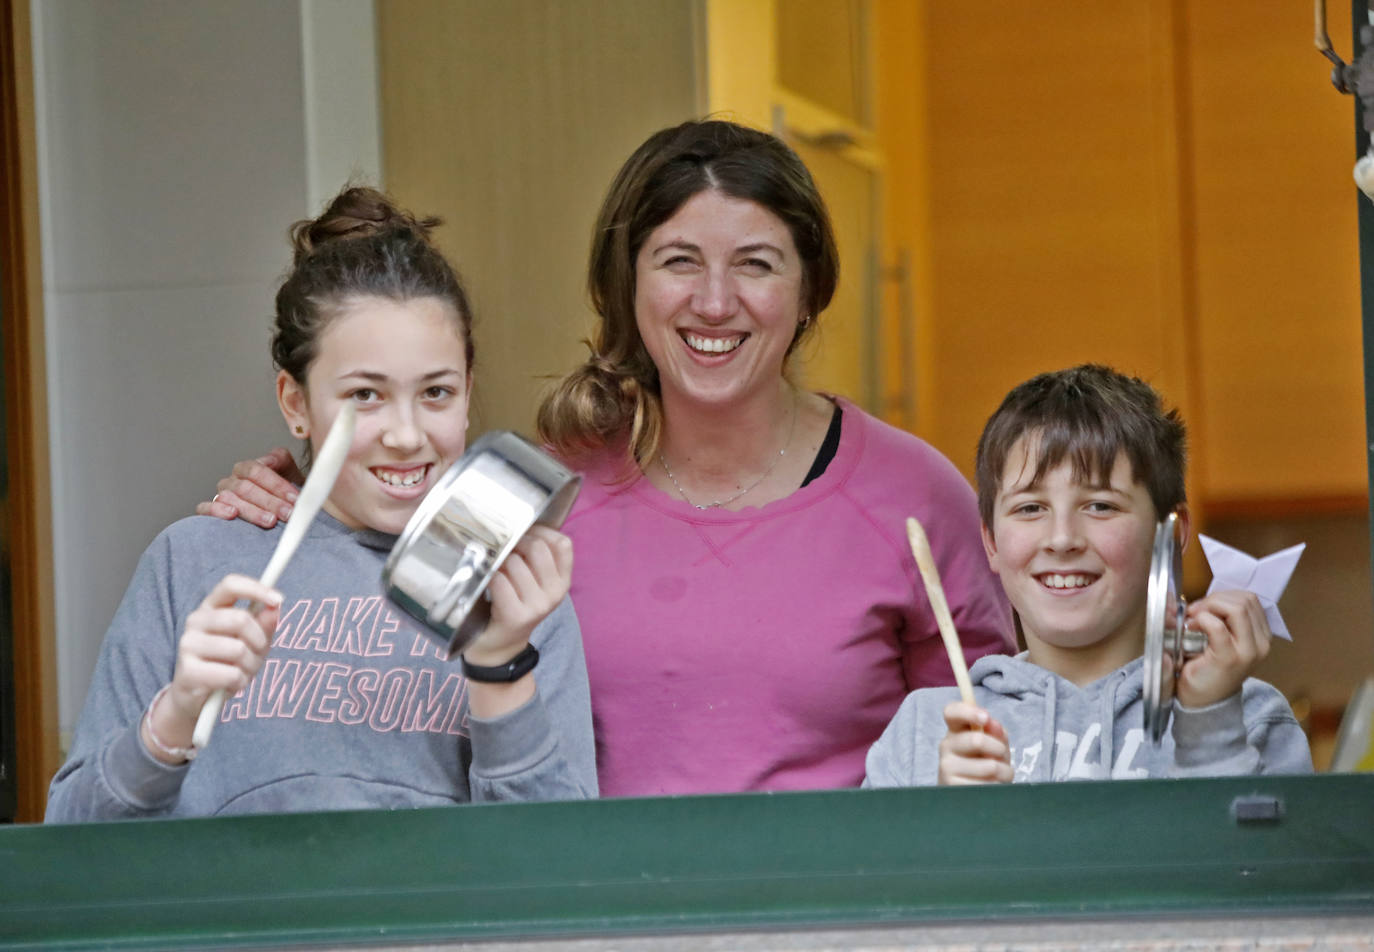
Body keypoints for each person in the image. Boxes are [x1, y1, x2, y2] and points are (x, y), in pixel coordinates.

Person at [197, 120, 1014, 797]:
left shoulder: (915, 495)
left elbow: (998, 743)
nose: (715, 301)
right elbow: (373, 547)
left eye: (756, 265)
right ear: (625, 283)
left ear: (809, 291)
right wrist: (289, 497)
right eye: (678, 261)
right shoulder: (531, 494)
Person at [46, 187, 597, 822]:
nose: (407, 433)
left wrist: (500, 663)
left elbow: (553, 872)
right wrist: (174, 715)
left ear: (469, 392)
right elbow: (72, 840)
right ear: (295, 403)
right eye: (365, 395)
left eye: (437, 392)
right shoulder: (193, 561)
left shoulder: (518, 592)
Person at [864, 364, 1313, 786]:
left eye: (1100, 506)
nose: (1061, 539)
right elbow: (880, 872)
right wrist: (949, 822)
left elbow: (1258, 870)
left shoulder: (1250, 717)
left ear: (1170, 534)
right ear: (992, 543)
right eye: (1030, 508)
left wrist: (1211, 726)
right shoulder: (922, 734)